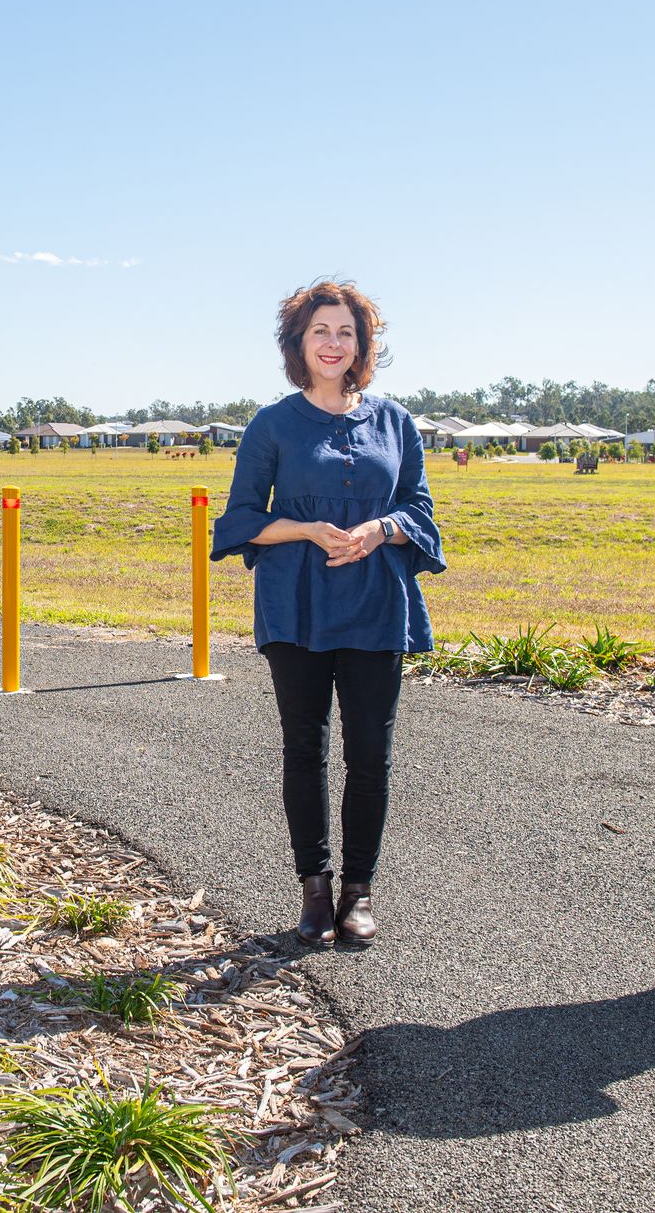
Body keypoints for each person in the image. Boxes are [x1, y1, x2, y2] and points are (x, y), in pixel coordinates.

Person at [211, 280, 446, 947]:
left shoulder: (395, 422)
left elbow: (421, 512)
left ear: (362, 343)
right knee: (304, 749)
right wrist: (309, 530)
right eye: (321, 331)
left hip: (376, 607)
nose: (334, 343)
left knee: (371, 753)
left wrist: (382, 529)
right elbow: (240, 521)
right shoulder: (272, 425)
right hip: (297, 608)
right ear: (298, 343)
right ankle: (315, 889)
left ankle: (359, 890)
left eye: (345, 332)